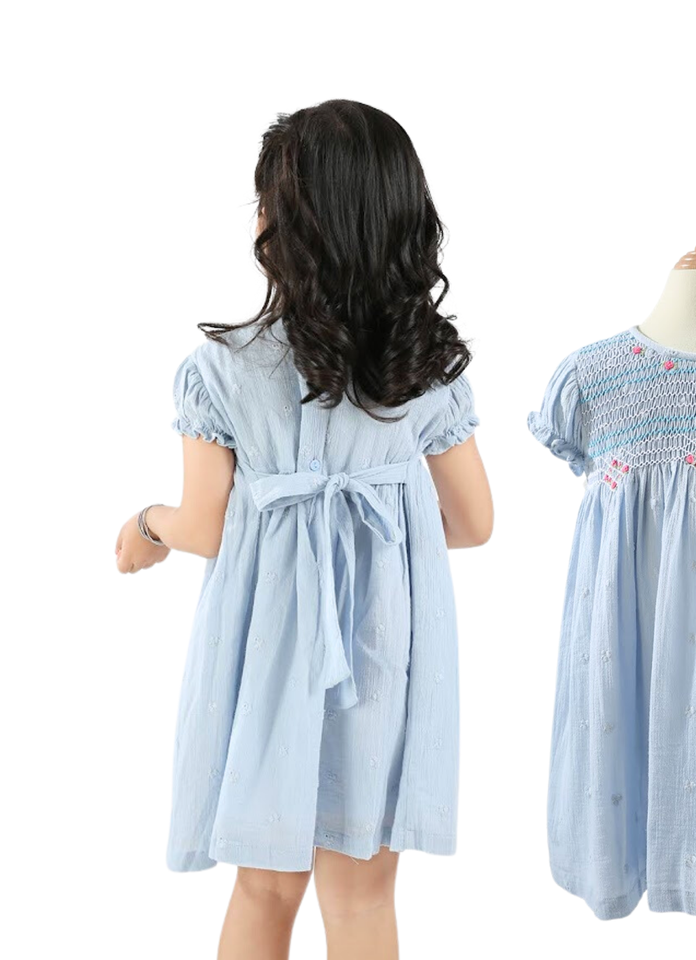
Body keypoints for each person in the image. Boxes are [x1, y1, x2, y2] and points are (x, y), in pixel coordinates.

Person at [115, 99, 493, 960]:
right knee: (362, 895)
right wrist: (381, 526)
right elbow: (474, 523)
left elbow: (205, 527)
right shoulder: (426, 368)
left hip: (267, 649)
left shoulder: (222, 368)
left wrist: (146, 527)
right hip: (385, 654)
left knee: (263, 887)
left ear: (283, 226)